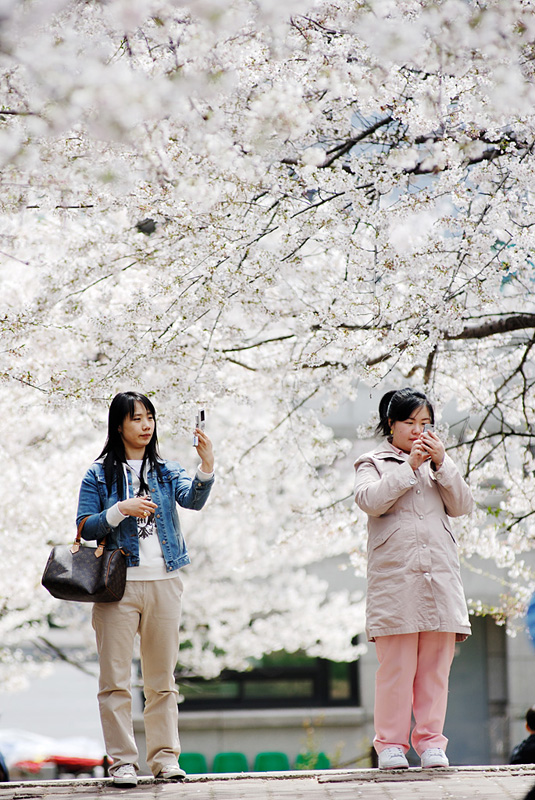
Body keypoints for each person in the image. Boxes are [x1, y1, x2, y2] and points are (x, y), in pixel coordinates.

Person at [76, 391, 214, 787]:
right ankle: (121, 761)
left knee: (161, 680)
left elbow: (193, 500)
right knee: (114, 680)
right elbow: (84, 527)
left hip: (164, 583)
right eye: (136, 418)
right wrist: (121, 510)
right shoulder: (99, 474)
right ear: (119, 425)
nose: (146, 424)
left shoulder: (167, 470)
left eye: (150, 417)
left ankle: (165, 759)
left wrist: (206, 466)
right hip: (116, 588)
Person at [353, 387, 473, 771]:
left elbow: (462, 505)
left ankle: (431, 743)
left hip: (438, 580)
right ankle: (389, 744)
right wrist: (409, 469)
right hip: (397, 582)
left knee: (436, 669)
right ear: (391, 424)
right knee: (396, 670)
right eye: (410, 422)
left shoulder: (440, 462)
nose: (419, 430)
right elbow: (370, 500)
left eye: (426, 423)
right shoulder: (371, 461)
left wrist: (441, 465)